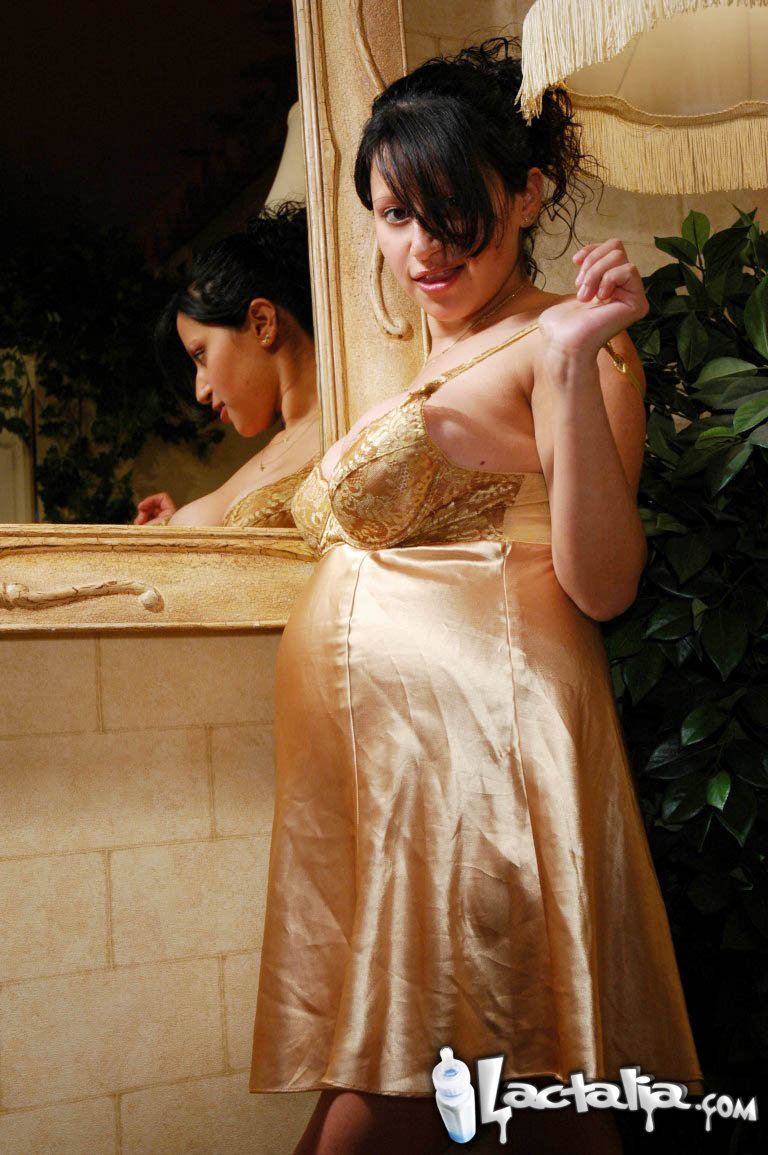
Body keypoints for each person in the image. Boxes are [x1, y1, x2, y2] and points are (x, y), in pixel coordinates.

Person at [249, 40, 703, 1154]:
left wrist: (572, 361)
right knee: (498, 1092)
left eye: (455, 210)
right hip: (406, 773)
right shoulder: (434, 359)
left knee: (418, 1091)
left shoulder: (565, 341)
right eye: (397, 214)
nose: (427, 246)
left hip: (486, 756)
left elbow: (603, 583)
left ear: (526, 193)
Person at [134, 203, 320, 528]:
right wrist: (174, 528)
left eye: (200, 355)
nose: (201, 391)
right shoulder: (286, 443)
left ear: (262, 323)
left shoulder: (349, 434)